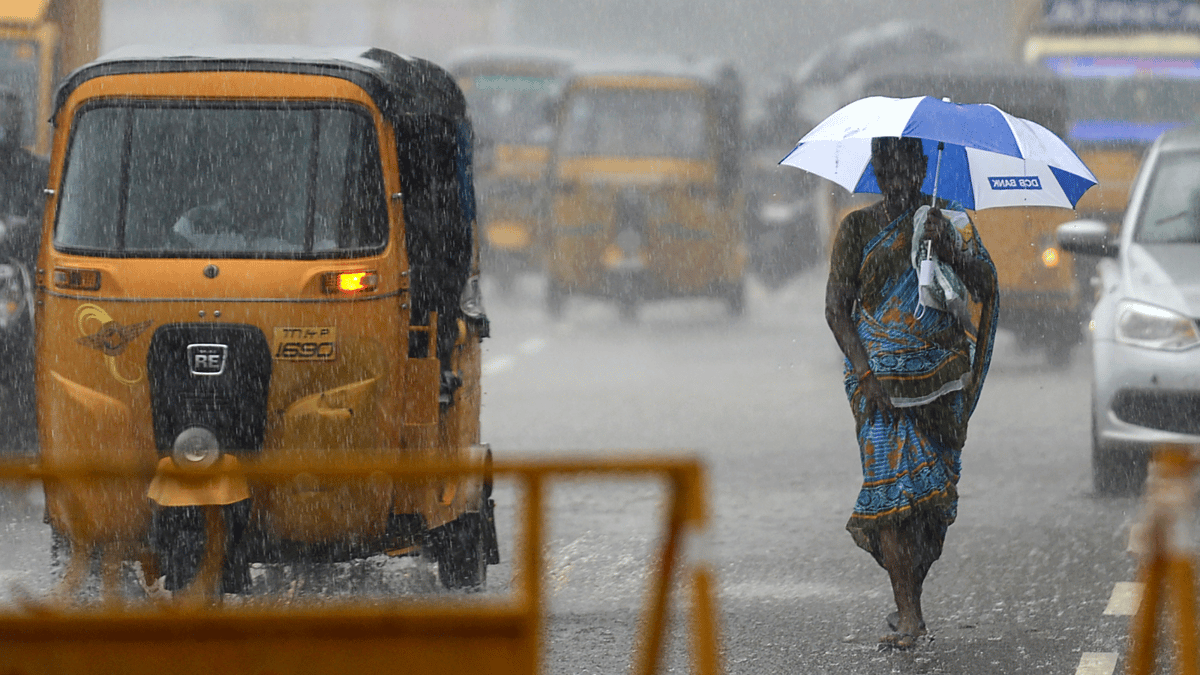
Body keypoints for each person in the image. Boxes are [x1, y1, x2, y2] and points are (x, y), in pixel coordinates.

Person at [824, 136, 999, 650]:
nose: (897, 179)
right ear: (875, 169)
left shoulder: (951, 222)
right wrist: (866, 371)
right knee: (891, 496)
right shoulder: (856, 228)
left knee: (930, 504)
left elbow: (986, 285)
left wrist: (952, 252)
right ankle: (909, 612)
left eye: (907, 168)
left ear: (924, 167)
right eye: (887, 167)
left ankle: (910, 596)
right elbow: (837, 308)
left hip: (940, 383)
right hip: (878, 387)